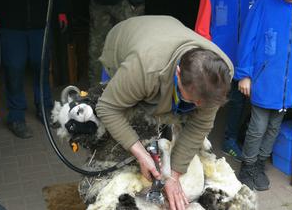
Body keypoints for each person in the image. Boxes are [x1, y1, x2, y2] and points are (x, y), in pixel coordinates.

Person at [96, 16, 233, 210]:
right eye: (194, 100)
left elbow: (200, 125)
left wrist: (173, 176)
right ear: (178, 73)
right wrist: (140, 154)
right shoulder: (143, 68)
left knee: (170, 113)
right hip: (125, 44)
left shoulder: (220, 74)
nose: (199, 106)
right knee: (117, 128)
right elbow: (107, 108)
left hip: (165, 37)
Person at [235, 0, 292, 190]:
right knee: (258, 126)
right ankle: (247, 166)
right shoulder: (264, 2)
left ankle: (259, 164)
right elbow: (248, 38)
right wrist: (244, 74)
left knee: (274, 127)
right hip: (264, 78)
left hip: (288, 81)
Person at [0, 0, 68, 138]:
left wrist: (61, 11)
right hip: (10, 23)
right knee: (14, 68)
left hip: (40, 22)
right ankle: (16, 117)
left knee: (41, 66)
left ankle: (44, 108)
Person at [195, 0, 260, 161]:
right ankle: (196, 140)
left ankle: (229, 140)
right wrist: (206, 58)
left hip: (243, 58)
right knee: (208, 99)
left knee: (238, 101)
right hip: (217, 59)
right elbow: (202, 28)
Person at [88, 0, 147, 86]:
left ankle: (133, 89)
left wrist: (136, 0)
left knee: (132, 46)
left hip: (127, 2)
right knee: (97, 49)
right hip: (99, 2)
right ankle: (97, 90)